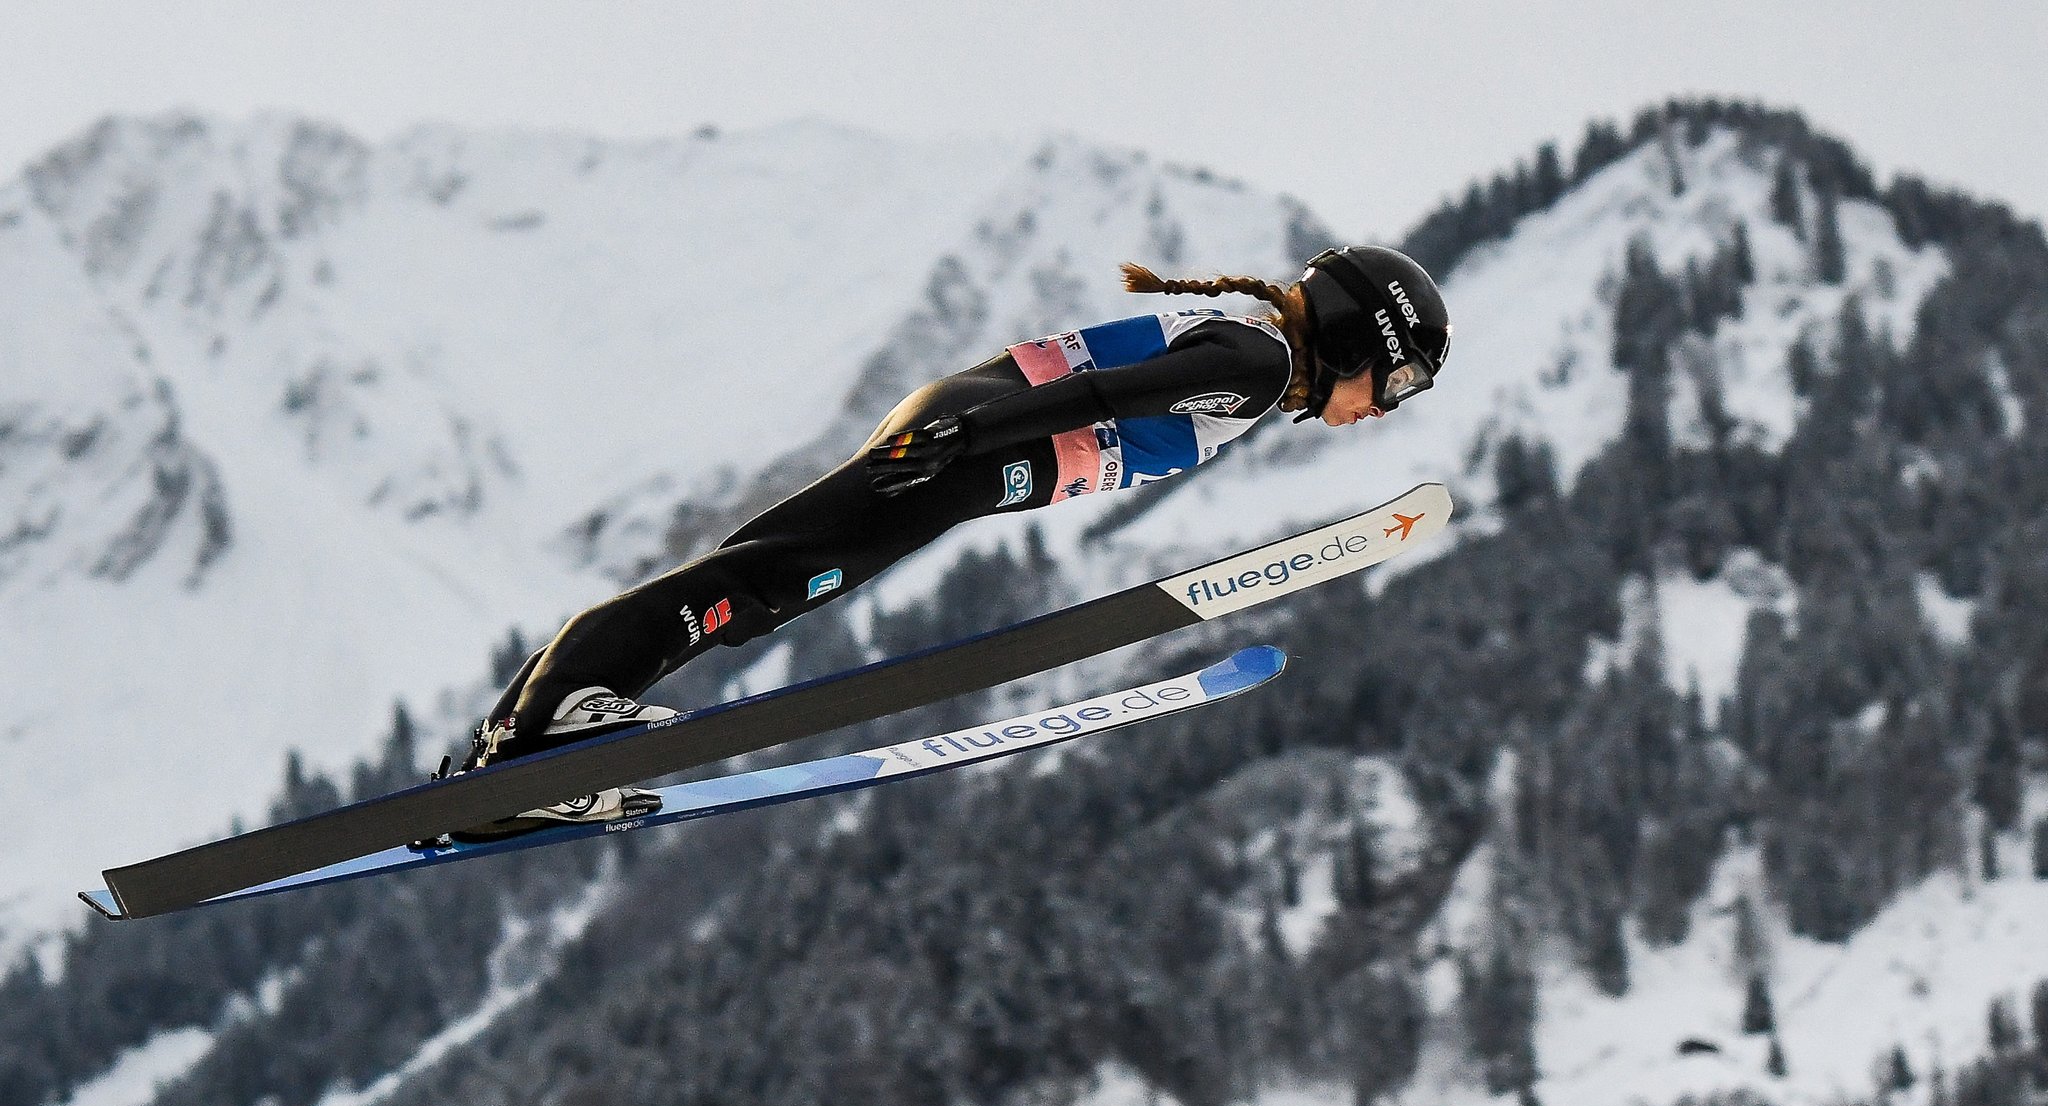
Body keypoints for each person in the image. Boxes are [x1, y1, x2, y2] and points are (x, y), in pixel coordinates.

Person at [449, 245, 1452, 840]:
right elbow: (1111, 395)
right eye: (1394, 385)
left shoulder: (1252, 351)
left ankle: (516, 760)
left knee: (759, 577)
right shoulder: (1257, 363)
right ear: (1359, 337)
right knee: (756, 582)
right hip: (976, 442)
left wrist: (970, 432)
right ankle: (549, 731)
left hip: (977, 438)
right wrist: (965, 438)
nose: (1380, 410)